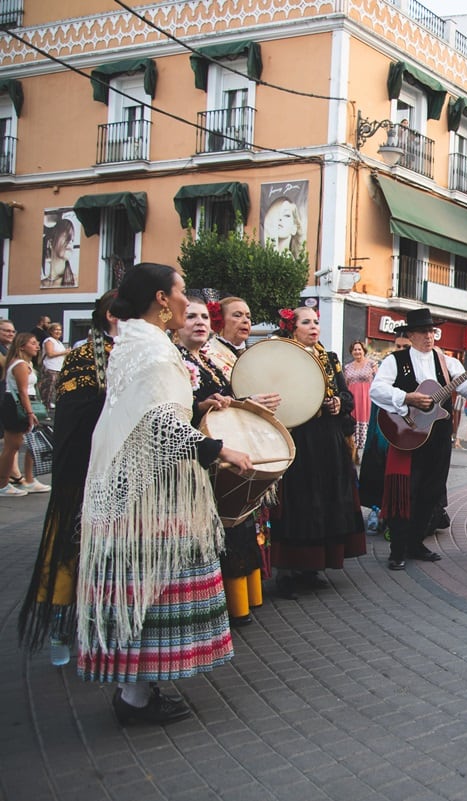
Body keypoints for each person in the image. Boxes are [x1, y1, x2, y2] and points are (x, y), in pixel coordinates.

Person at [75, 262, 253, 725]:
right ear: (160, 299)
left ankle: (137, 688)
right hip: (147, 491)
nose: (184, 301)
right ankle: (135, 698)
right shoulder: (152, 351)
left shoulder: (135, 342)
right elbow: (158, 425)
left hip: (133, 486)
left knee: (142, 586)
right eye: (179, 293)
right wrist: (219, 449)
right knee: (150, 587)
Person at [18, 291, 117, 665]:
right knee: (71, 549)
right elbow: (75, 418)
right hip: (87, 471)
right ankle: (61, 624)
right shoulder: (81, 358)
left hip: (121, 475)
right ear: (112, 315)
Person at [368, 307, 467, 570]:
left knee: (431, 491)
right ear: (410, 334)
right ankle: (398, 549)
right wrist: (407, 398)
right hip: (407, 433)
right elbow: (376, 390)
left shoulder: (448, 362)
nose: (430, 336)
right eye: (423, 331)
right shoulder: (395, 360)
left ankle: (415, 542)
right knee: (406, 492)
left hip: (438, 435)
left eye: (432, 331)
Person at [176, 299, 265, 627]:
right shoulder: (176, 359)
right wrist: (202, 406)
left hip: (221, 453)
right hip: (194, 459)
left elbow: (226, 395)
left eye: (203, 316)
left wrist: (232, 401)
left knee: (236, 524)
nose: (199, 322)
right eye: (190, 316)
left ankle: (239, 601)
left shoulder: (208, 360)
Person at [269, 306, 365, 598]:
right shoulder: (281, 357)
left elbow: (346, 395)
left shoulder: (330, 359)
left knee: (325, 500)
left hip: (327, 438)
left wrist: (338, 403)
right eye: (306, 322)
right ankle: (288, 569)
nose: (314, 327)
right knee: (299, 500)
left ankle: (313, 567)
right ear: (292, 327)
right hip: (298, 437)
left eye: (316, 322)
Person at [2, 332, 48, 495]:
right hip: (19, 406)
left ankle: (27, 479)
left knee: (26, 445)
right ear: (22, 346)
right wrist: (30, 412)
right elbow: (22, 391)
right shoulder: (20, 365)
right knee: (12, 446)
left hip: (23, 403)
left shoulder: (23, 363)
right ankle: (3, 483)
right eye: (33, 343)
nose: (37, 346)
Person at [201, 296, 255, 380]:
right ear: (220, 320)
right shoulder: (207, 355)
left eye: (248, 317)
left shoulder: (253, 354)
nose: (246, 321)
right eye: (237, 315)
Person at [344, 340, 377, 457]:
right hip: (353, 398)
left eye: (359, 349)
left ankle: (366, 454)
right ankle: (354, 454)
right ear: (351, 352)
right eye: (355, 350)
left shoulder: (372, 364)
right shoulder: (347, 367)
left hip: (367, 398)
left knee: (367, 421)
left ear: (364, 351)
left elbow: (378, 381)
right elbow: (345, 384)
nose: (357, 352)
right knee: (353, 423)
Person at [38, 322, 68, 416]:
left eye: (60, 330)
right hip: (50, 368)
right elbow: (50, 353)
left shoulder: (59, 342)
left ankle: (50, 408)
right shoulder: (49, 340)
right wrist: (65, 352)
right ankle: (44, 409)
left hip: (58, 368)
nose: (58, 332)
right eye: (56, 329)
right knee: (48, 389)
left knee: (55, 390)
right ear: (51, 331)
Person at [42, 221, 77, 288]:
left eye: (72, 240)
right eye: (66, 237)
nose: (70, 242)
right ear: (50, 243)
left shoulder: (76, 281)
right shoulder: (42, 284)